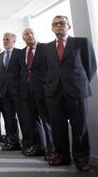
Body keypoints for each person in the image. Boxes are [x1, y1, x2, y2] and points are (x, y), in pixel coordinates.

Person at [44, 15, 96, 172]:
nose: (59, 26)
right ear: (52, 28)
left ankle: (81, 159)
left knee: (79, 127)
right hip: (54, 92)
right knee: (58, 127)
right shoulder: (46, 47)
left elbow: (91, 66)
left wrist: (78, 82)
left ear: (69, 26)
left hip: (77, 91)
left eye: (62, 23)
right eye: (55, 24)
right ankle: (62, 156)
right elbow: (47, 70)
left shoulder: (81, 42)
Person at [19, 28, 55, 159]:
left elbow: (52, 68)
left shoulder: (45, 48)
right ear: (23, 38)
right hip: (27, 93)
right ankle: (38, 147)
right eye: (26, 35)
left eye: (31, 33)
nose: (29, 36)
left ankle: (52, 150)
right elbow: (22, 72)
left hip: (43, 90)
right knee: (32, 122)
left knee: (47, 121)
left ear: (35, 35)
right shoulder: (22, 52)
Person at [0, 32, 23, 151]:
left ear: (14, 40)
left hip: (19, 92)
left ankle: (27, 142)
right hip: (5, 93)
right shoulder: (0, 56)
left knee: (24, 118)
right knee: (9, 118)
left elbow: (24, 73)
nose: (5, 41)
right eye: (3, 39)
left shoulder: (20, 53)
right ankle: (13, 142)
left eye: (7, 39)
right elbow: (0, 74)